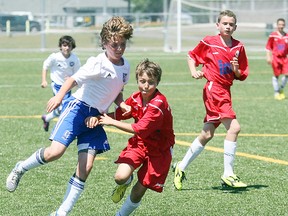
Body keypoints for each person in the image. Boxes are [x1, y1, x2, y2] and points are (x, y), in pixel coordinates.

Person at [6, 16, 133, 216]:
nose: (119, 48)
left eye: (123, 44)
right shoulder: (97, 63)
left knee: (86, 166)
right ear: (104, 43)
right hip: (78, 108)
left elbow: (116, 89)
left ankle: (61, 212)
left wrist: (122, 103)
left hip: (95, 118)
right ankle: (20, 167)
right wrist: (58, 96)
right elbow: (73, 79)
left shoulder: (126, 66)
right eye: (114, 44)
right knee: (54, 153)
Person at [85, 59, 175, 216]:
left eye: (151, 82)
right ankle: (126, 182)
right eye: (142, 81)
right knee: (120, 177)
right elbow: (120, 114)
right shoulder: (135, 98)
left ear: (157, 82)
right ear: (137, 80)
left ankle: (120, 215)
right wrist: (98, 118)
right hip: (140, 144)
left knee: (139, 190)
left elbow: (138, 128)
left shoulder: (158, 104)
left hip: (160, 151)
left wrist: (110, 122)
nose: (146, 86)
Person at [173, 10, 249, 190]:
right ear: (218, 25)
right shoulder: (209, 41)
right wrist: (193, 71)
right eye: (225, 23)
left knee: (207, 134)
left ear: (235, 27)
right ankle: (228, 174)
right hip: (214, 89)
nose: (228, 27)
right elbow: (191, 55)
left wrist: (236, 69)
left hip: (225, 91)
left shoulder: (239, 47)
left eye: (231, 24)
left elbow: (240, 74)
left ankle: (180, 167)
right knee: (234, 128)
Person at [41, 35, 81, 132]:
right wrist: (44, 80)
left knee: (62, 108)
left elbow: (78, 74)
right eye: (64, 45)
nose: (66, 48)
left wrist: (72, 79)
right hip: (57, 85)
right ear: (60, 46)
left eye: (69, 46)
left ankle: (47, 118)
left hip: (67, 87)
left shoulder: (74, 59)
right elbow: (45, 66)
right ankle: (62, 130)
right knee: (65, 107)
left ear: (72, 47)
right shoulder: (55, 57)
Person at [266, 18, 288, 100]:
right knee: (276, 75)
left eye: (282, 24)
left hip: (285, 58)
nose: (281, 26)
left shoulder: (287, 36)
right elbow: (268, 47)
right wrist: (268, 57)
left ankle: (281, 89)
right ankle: (276, 92)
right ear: (277, 25)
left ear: (284, 25)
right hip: (276, 58)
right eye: (279, 24)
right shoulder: (273, 35)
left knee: (287, 75)